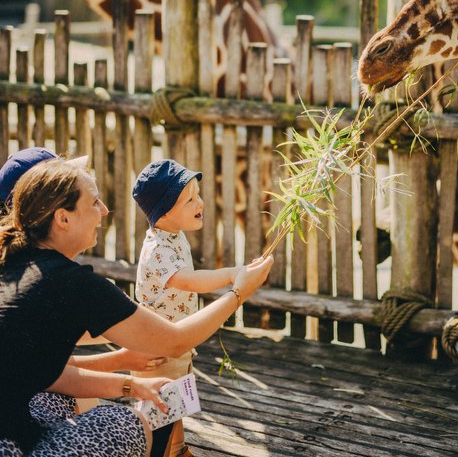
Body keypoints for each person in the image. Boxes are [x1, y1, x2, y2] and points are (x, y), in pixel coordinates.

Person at [0, 158, 272, 457]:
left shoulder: (14, 263)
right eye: (94, 202)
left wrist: (130, 385)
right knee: (128, 422)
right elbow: (175, 341)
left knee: (63, 400)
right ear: (63, 218)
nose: (104, 210)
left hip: (13, 426)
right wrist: (238, 293)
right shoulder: (70, 282)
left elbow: (47, 375)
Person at [0, 148, 167, 379]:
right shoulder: (47, 274)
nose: (105, 210)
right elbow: (38, 371)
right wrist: (119, 362)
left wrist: (130, 327)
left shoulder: (19, 260)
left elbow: (55, 335)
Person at [132, 159, 241, 457]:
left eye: (198, 194)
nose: (201, 202)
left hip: (177, 341)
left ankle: (178, 450)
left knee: (175, 403)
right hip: (158, 348)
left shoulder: (174, 235)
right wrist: (233, 276)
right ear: (164, 211)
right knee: (159, 412)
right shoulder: (158, 251)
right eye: (189, 198)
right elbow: (190, 281)